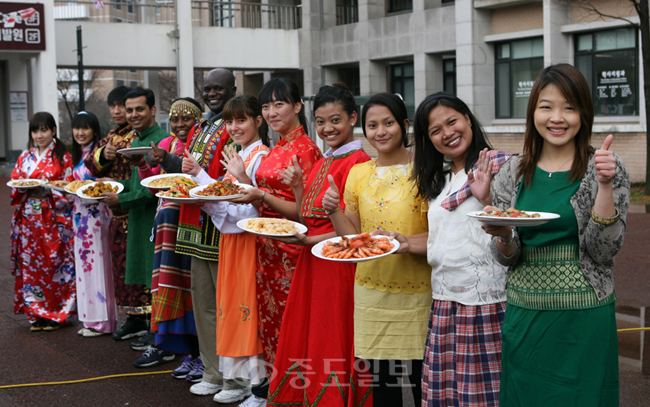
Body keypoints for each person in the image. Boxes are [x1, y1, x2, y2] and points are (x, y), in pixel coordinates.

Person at [482, 63, 629, 406]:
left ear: (583, 114)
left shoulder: (605, 165)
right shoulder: (512, 172)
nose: (557, 118)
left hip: (584, 315)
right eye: (546, 106)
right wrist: (503, 233)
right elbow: (507, 256)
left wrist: (604, 186)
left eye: (569, 107)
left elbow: (604, 252)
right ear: (533, 111)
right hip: (525, 311)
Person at [392, 92, 511, 406]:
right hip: (445, 302)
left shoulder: (499, 165)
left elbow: (513, 234)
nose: (447, 133)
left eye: (452, 121)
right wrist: (401, 242)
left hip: (484, 302)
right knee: (448, 395)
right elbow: (441, 238)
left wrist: (488, 200)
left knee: (482, 397)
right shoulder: (442, 180)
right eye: (435, 130)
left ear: (468, 119)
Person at [322, 93, 430, 407]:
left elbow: (440, 232)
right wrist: (333, 211)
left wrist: (405, 242)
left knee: (421, 381)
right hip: (371, 291)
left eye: (388, 123)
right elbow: (352, 240)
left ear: (405, 125)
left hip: (418, 292)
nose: (380, 131)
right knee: (383, 384)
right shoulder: (358, 174)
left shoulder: (425, 170)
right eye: (372, 125)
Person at [267, 83, 372, 406]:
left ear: (353, 118)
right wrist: (299, 186)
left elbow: (357, 229)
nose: (328, 128)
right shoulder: (325, 159)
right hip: (313, 259)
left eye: (336, 120)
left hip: (337, 263)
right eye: (321, 121)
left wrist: (310, 240)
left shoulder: (359, 161)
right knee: (311, 333)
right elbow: (306, 213)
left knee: (330, 334)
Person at [157, 69, 249, 397]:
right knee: (205, 305)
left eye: (218, 88)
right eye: (207, 88)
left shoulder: (234, 126)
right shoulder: (202, 125)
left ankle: (236, 380)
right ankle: (212, 371)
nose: (211, 93)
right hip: (193, 223)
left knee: (230, 306)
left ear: (233, 89)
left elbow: (230, 179)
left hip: (223, 227)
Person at [231, 77, 323, 406]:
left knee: (290, 324)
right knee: (270, 323)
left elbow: (303, 212)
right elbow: (264, 197)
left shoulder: (307, 150)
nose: (271, 112)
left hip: (291, 249)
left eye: (279, 104)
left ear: (298, 106)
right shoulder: (280, 145)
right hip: (267, 246)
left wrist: (259, 193)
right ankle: (277, 391)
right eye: (266, 106)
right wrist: (245, 182)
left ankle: (295, 394)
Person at [185, 95, 271, 404]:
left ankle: (257, 386)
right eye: (230, 121)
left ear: (257, 122)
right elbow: (223, 196)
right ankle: (239, 381)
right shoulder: (239, 154)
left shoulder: (260, 156)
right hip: (233, 240)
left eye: (241, 120)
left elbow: (250, 208)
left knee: (249, 312)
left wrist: (210, 198)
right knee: (232, 311)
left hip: (250, 242)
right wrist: (197, 173)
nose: (234, 127)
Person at [132, 98, 203, 369]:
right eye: (174, 119)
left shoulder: (202, 145)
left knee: (190, 289)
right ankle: (182, 351)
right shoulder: (165, 145)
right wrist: (141, 164)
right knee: (168, 285)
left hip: (190, 225)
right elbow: (154, 186)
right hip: (165, 226)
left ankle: (199, 354)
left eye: (187, 118)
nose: (180, 124)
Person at [99, 88, 170, 360]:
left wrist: (122, 198)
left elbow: (154, 187)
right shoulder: (133, 139)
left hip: (154, 216)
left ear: (153, 110)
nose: (133, 115)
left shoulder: (161, 141)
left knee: (157, 274)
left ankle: (161, 337)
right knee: (144, 272)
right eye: (130, 110)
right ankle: (153, 330)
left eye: (139, 109)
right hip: (137, 217)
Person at [84, 86, 151, 342]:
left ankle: (150, 321)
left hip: (137, 207)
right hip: (116, 211)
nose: (116, 111)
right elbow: (91, 164)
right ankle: (134, 320)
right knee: (122, 271)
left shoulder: (140, 135)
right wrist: (104, 154)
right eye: (112, 106)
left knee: (143, 266)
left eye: (121, 106)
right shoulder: (113, 135)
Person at [10, 112, 75, 331]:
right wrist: (23, 186)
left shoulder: (63, 156)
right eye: (36, 130)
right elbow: (16, 181)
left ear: (54, 131)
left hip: (52, 216)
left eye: (44, 130)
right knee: (30, 266)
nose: (40, 135)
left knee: (54, 263)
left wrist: (48, 188)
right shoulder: (25, 156)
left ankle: (56, 313)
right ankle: (35, 313)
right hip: (29, 217)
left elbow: (68, 187)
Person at [71, 111, 117, 338]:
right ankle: (90, 319)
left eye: (85, 128)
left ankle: (104, 322)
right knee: (84, 268)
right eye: (77, 128)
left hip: (98, 214)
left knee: (99, 266)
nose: (80, 132)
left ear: (94, 130)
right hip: (80, 216)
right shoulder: (77, 154)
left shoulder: (101, 153)